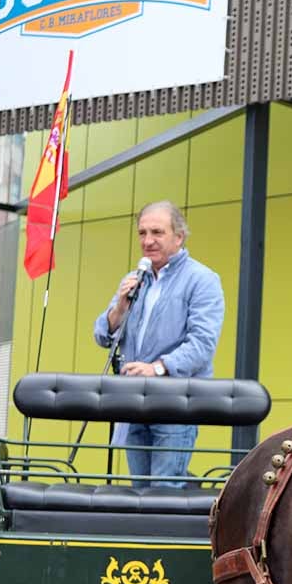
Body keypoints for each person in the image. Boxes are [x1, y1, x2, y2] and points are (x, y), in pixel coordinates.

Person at [93, 200, 225, 487]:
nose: (148, 241)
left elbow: (202, 344)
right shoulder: (135, 280)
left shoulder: (202, 280)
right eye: (142, 233)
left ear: (179, 237)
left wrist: (158, 368)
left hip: (175, 404)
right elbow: (103, 335)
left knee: (163, 493)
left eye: (157, 232)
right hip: (132, 403)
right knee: (140, 493)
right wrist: (120, 308)